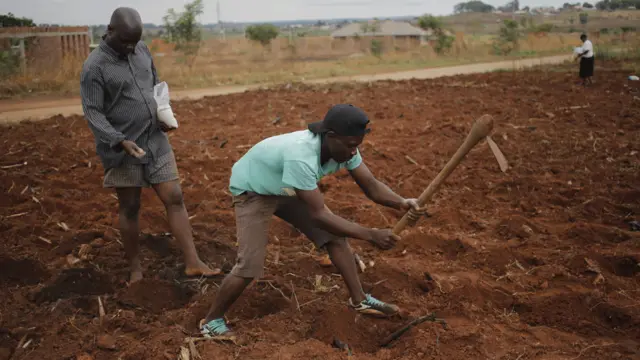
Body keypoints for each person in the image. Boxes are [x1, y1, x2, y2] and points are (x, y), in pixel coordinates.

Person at [199, 104, 425, 341]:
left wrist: (401, 202)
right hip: (253, 190)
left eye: (357, 146)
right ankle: (211, 320)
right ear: (330, 137)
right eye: (350, 146)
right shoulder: (302, 156)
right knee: (249, 264)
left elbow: (371, 185)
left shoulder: (345, 149)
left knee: (335, 238)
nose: (353, 153)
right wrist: (371, 234)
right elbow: (319, 215)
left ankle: (359, 300)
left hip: (286, 187)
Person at [80, 7, 220, 283]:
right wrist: (119, 140)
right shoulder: (94, 67)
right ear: (109, 31)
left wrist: (163, 113)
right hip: (122, 148)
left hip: (155, 139)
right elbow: (93, 112)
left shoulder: (141, 50)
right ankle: (135, 270)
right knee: (130, 206)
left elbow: (155, 85)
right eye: (125, 42)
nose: (130, 47)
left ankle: (193, 262)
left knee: (174, 197)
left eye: (134, 41)